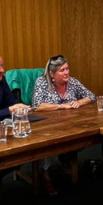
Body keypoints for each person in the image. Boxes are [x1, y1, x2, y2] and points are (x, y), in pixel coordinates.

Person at [32, 55, 96, 194]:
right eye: (62, 70)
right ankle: (45, 173)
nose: (66, 72)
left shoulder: (72, 82)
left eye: (67, 69)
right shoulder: (42, 82)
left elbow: (91, 96)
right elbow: (37, 106)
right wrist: (61, 106)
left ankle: (66, 158)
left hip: (69, 124)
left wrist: (80, 102)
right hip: (47, 125)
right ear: (52, 73)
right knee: (47, 141)